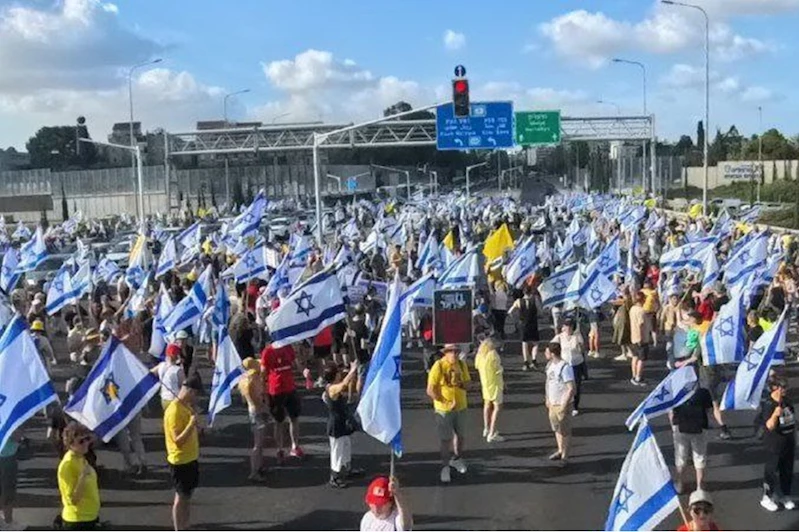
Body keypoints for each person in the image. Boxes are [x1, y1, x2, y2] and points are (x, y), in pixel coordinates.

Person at [426, 344, 470, 484]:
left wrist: (461, 384)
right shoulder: (438, 366)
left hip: (461, 406)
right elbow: (430, 390)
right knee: (446, 440)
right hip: (444, 410)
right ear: (445, 353)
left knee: (461, 436)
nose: (454, 354)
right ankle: (445, 467)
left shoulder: (462, 365)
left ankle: (457, 459)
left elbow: (468, 384)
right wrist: (443, 400)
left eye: (456, 351)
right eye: (451, 351)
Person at [164, 379, 202, 531]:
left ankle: (186, 525)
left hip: (190, 458)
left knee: (187, 495)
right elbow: (177, 441)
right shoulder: (174, 411)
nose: (196, 398)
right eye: (196, 394)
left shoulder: (184, 406)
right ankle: (179, 528)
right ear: (191, 391)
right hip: (180, 460)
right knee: (181, 497)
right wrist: (191, 424)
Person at [260, 341, 304, 461]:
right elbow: (263, 373)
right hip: (275, 390)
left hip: (290, 388)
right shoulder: (268, 351)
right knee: (279, 421)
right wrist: (264, 393)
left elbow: (296, 363)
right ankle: (279, 449)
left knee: (294, 418)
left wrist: (304, 371)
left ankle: (295, 446)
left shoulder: (288, 347)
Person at [760, 377, 796, 512]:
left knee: (787, 470)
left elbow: (792, 420)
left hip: (788, 442)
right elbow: (769, 425)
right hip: (774, 444)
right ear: (775, 388)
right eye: (783, 387)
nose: (785, 389)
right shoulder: (769, 404)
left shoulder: (787, 402)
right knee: (772, 470)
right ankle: (767, 497)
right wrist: (775, 414)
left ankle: (785, 495)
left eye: (786, 386)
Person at [322, 361, 360, 488]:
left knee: (346, 446)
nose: (339, 373)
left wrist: (351, 373)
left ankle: (347, 469)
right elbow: (344, 385)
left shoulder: (332, 386)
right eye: (337, 372)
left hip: (342, 422)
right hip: (335, 424)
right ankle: (335, 476)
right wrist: (352, 370)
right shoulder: (332, 389)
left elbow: (345, 382)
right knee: (337, 451)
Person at [670, 382, 712, 494]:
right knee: (700, 457)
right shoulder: (703, 392)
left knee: (680, 456)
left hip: (680, 426)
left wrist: (673, 426)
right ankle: (700, 487)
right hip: (700, 427)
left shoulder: (676, 391)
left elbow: (671, 411)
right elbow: (708, 410)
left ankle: (679, 483)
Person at [57, 422, 100, 530]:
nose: (86, 443)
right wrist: (82, 477)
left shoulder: (81, 457)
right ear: (70, 444)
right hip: (78, 520)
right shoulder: (67, 465)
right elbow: (73, 500)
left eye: (87, 439)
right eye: (81, 441)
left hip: (89, 516)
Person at [544, 342, 575, 467]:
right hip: (552, 403)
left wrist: (564, 405)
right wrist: (547, 398)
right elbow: (548, 383)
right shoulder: (549, 366)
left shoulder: (565, 367)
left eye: (546, 352)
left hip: (562, 404)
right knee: (557, 428)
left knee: (565, 430)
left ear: (552, 353)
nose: (545, 354)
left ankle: (565, 456)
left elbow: (571, 388)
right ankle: (560, 449)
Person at [237, 358, 267, 482]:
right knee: (258, 443)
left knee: (260, 443)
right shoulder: (252, 381)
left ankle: (259, 467)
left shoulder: (243, 380)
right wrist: (265, 408)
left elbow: (245, 400)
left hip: (252, 411)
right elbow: (257, 401)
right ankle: (254, 471)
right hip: (257, 412)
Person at [552, 319, 586, 416]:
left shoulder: (577, 336)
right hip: (565, 365)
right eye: (566, 326)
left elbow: (582, 350)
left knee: (576, 386)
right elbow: (551, 345)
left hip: (576, 364)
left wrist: (579, 344)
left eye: (570, 326)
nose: (567, 328)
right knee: (566, 386)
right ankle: (566, 403)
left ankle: (575, 406)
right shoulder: (560, 336)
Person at [474, 338, 504, 442]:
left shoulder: (479, 356)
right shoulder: (493, 354)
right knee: (497, 407)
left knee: (486, 405)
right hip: (495, 384)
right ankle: (492, 433)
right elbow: (498, 368)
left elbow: (476, 366)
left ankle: (486, 428)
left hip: (485, 384)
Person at [509, 287, 539, 371]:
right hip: (533, 323)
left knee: (524, 343)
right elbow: (540, 310)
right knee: (535, 343)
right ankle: (534, 360)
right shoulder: (534, 300)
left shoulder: (518, 301)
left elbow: (510, 311)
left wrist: (516, 319)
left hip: (523, 324)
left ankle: (526, 362)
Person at [0, 429, 23, 530]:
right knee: (7, 492)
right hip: (6, 458)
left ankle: (6, 521)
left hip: (7, 456)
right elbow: (16, 436)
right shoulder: (5, 417)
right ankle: (7, 523)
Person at [628, 291, 651, 386]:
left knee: (634, 357)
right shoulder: (641, 311)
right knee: (641, 359)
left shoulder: (632, 309)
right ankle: (638, 378)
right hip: (641, 338)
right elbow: (641, 325)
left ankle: (634, 375)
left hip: (633, 337)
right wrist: (641, 338)